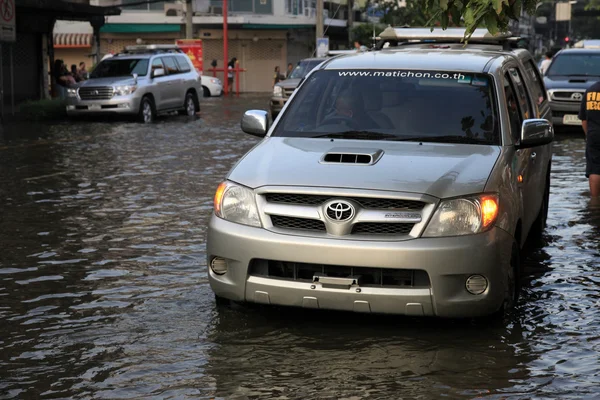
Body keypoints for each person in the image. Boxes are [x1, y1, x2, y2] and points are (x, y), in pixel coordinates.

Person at [578, 82, 600, 197]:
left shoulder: (591, 91)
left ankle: (594, 202)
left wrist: (588, 136)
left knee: (595, 169)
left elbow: (584, 119)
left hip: (594, 135)